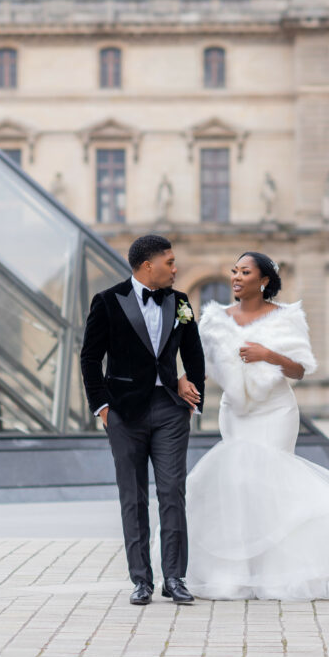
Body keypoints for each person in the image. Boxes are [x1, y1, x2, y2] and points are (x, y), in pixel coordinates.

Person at [154, 251, 329, 600]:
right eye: (234, 271)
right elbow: (203, 365)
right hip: (235, 412)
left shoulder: (287, 318)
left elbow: (300, 369)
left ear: (264, 280)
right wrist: (183, 380)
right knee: (239, 486)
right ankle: (238, 574)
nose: (236, 277)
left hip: (275, 412)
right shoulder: (214, 320)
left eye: (245, 271)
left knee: (271, 485)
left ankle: (279, 574)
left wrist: (267, 355)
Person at [80, 235, 205, 605]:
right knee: (132, 497)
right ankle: (141, 581)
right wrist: (101, 407)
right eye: (169, 262)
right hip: (124, 412)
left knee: (172, 492)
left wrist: (192, 394)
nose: (175, 268)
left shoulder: (180, 302)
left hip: (169, 409)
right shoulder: (106, 300)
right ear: (147, 266)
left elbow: (193, 352)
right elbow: (89, 358)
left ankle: (175, 578)